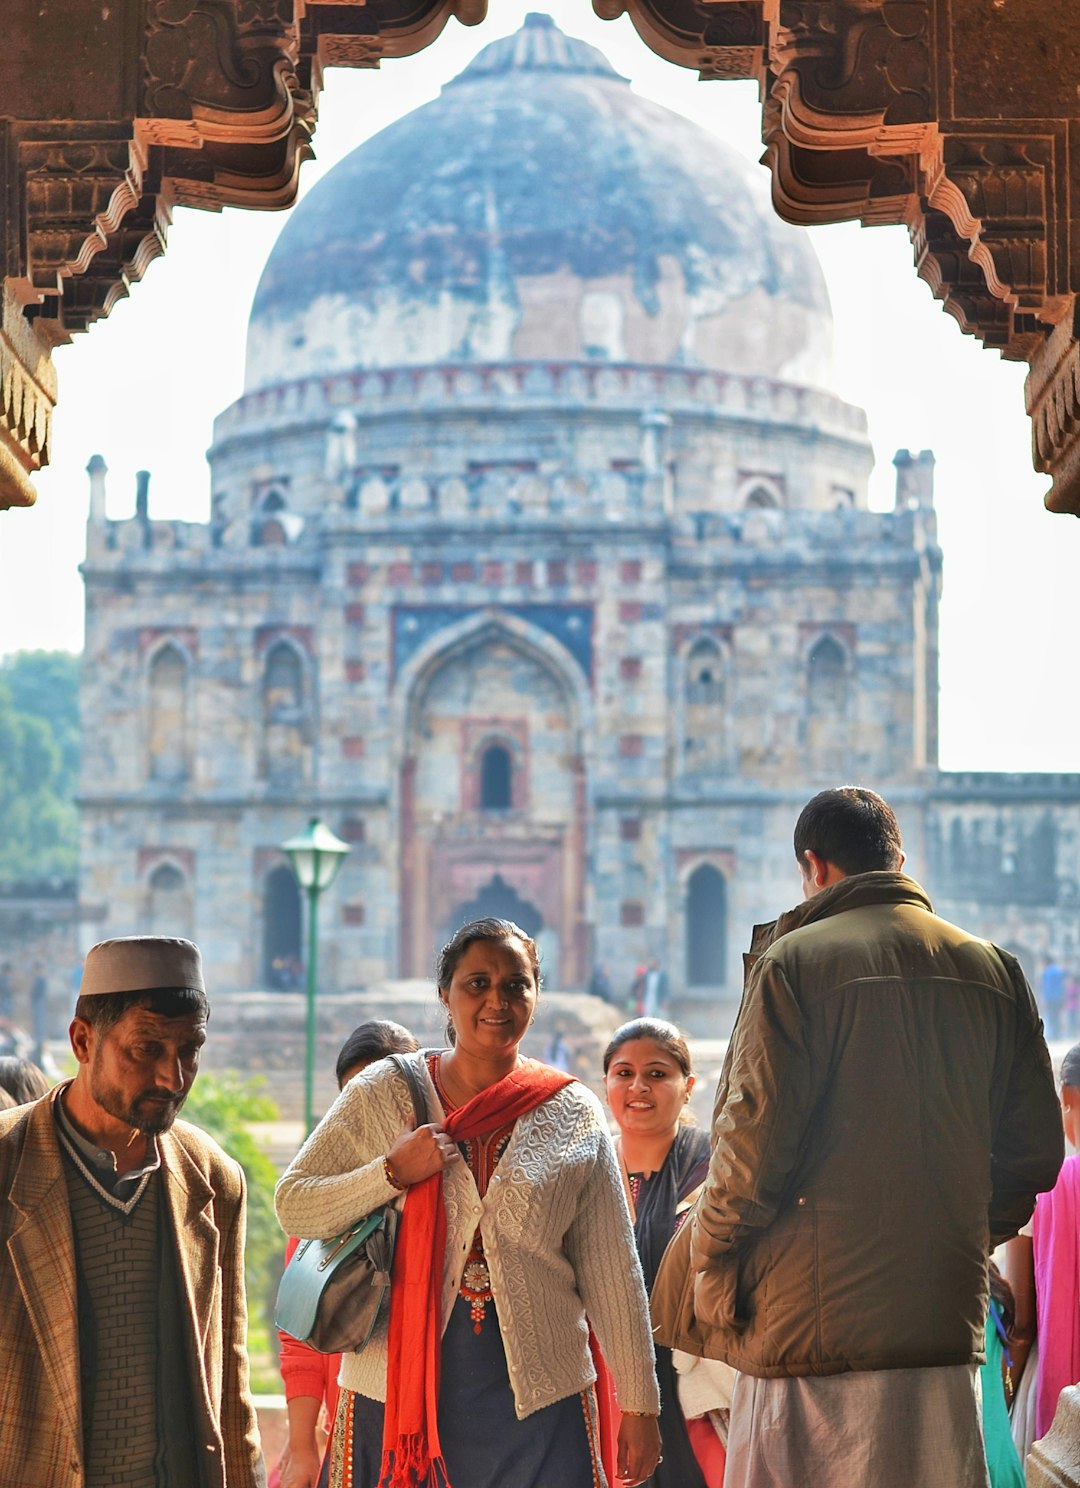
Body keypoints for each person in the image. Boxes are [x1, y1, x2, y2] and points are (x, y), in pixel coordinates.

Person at [652, 786, 1063, 1488]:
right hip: (938, 1322)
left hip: (804, 1332)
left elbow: (751, 1153)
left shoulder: (795, 963)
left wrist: (709, 1258)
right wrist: (952, 1231)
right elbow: (1035, 1153)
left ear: (813, 867)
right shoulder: (996, 969)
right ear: (898, 860)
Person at [276, 916, 662, 1488]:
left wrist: (641, 1402)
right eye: (476, 983)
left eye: (515, 985)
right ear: (444, 995)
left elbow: (613, 1270)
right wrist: (389, 1173)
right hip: (397, 1392)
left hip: (543, 1398)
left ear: (536, 995)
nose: (496, 1001)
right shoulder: (383, 1092)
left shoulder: (571, 1111)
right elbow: (294, 1204)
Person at [0, 934, 265, 1488]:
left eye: (189, 1050)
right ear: (82, 1041)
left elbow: (231, 1387)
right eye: (146, 1050)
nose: (173, 1078)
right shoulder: (9, 1167)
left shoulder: (213, 1179)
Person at [274, 1019, 420, 1488]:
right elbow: (301, 1334)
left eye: (386, 1097)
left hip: (433, 1434)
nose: (367, 1113)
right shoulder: (323, 1202)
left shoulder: (450, 1192)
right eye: (354, 1099)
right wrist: (301, 1447)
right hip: (351, 1435)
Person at [603, 1017, 723, 1488]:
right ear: (606, 1082)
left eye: (657, 1074)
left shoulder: (717, 1171)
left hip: (697, 1385)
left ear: (688, 1086)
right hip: (610, 1384)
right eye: (623, 1073)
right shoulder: (587, 1170)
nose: (639, 1087)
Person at [1001, 1041, 1080, 1459]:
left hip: (1058, 1400)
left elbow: (1021, 1323)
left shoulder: (1037, 1192)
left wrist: (1003, 1394)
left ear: (1065, 1100)